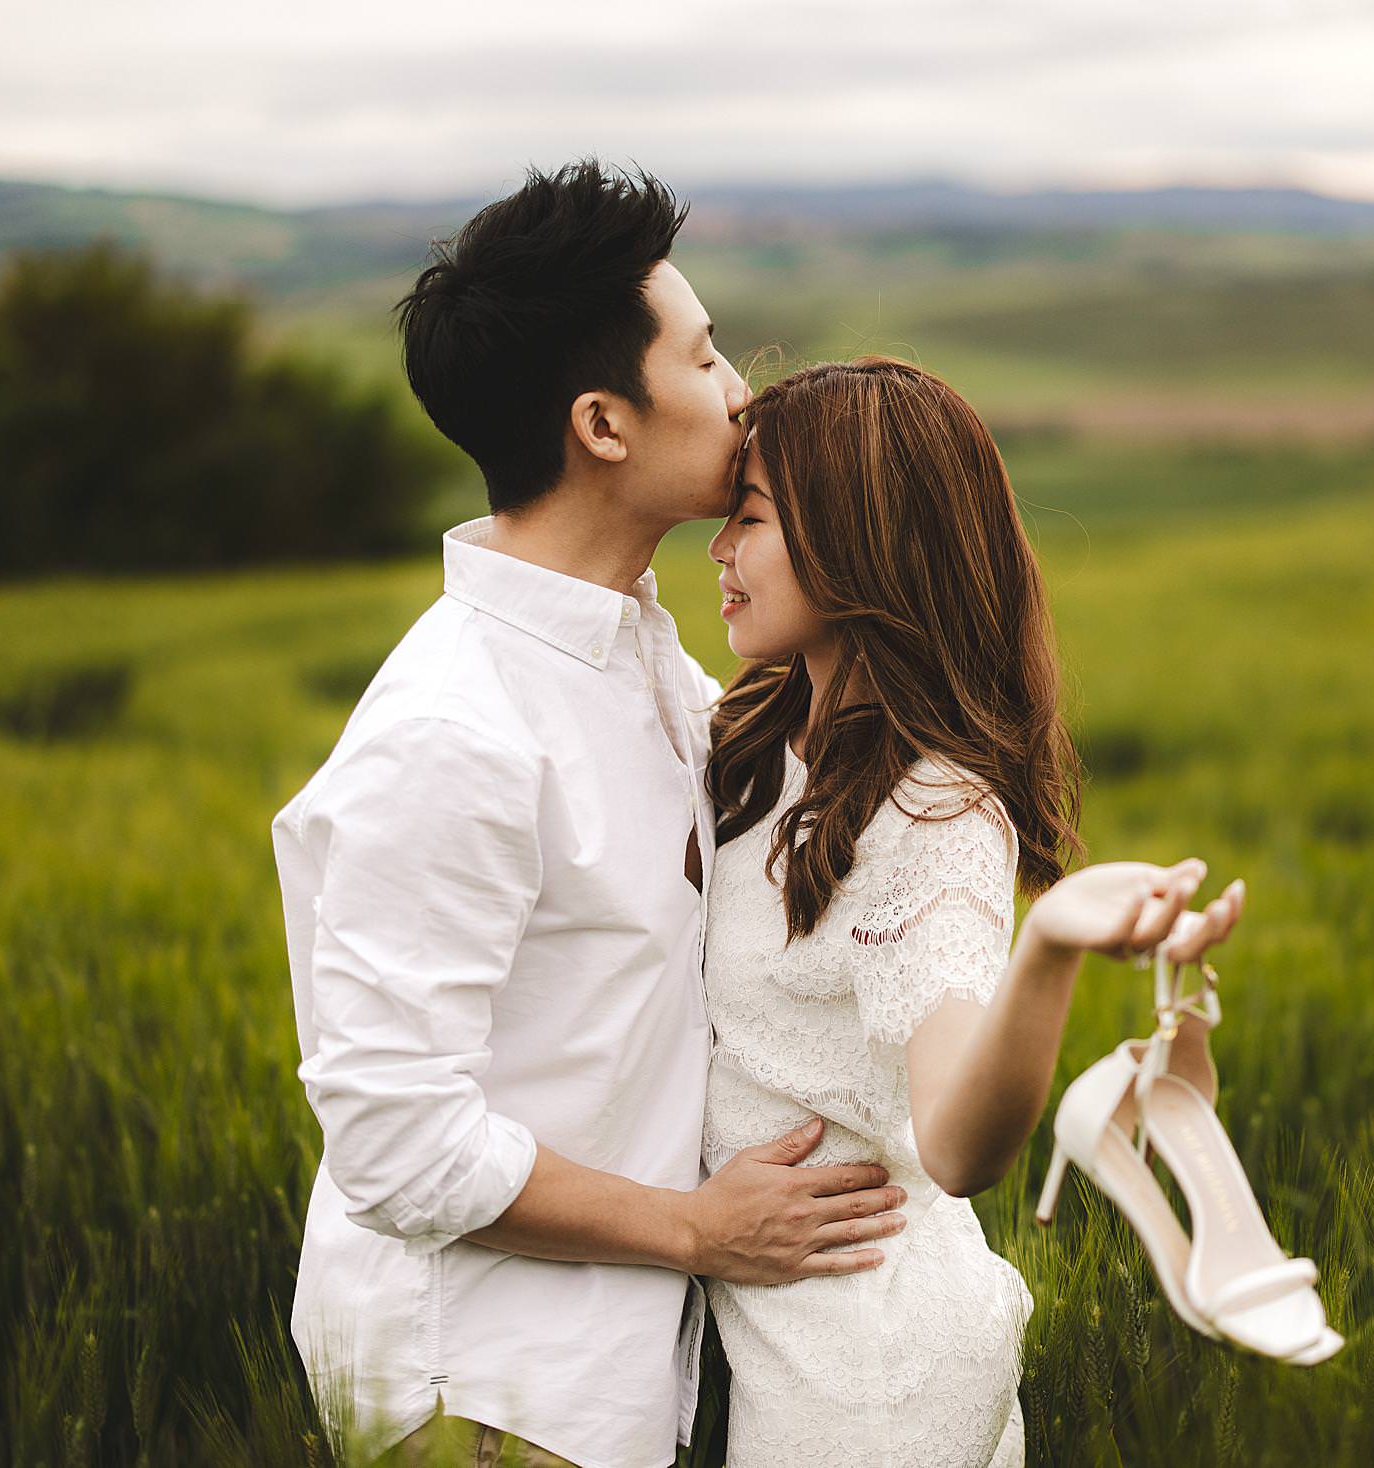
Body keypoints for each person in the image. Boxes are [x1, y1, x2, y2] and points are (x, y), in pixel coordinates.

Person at [270, 161, 910, 1468]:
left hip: (603, 1380)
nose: (744, 394)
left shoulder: (650, 672)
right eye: (708, 356)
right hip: (477, 1396)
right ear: (604, 425)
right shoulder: (453, 733)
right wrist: (696, 1231)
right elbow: (395, 1146)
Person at [701, 358, 1245, 1465]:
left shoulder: (934, 813)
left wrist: (1043, 949)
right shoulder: (757, 736)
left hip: (865, 1385)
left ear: (856, 542)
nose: (717, 551)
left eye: (748, 519)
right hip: (768, 1345)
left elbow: (955, 1140)